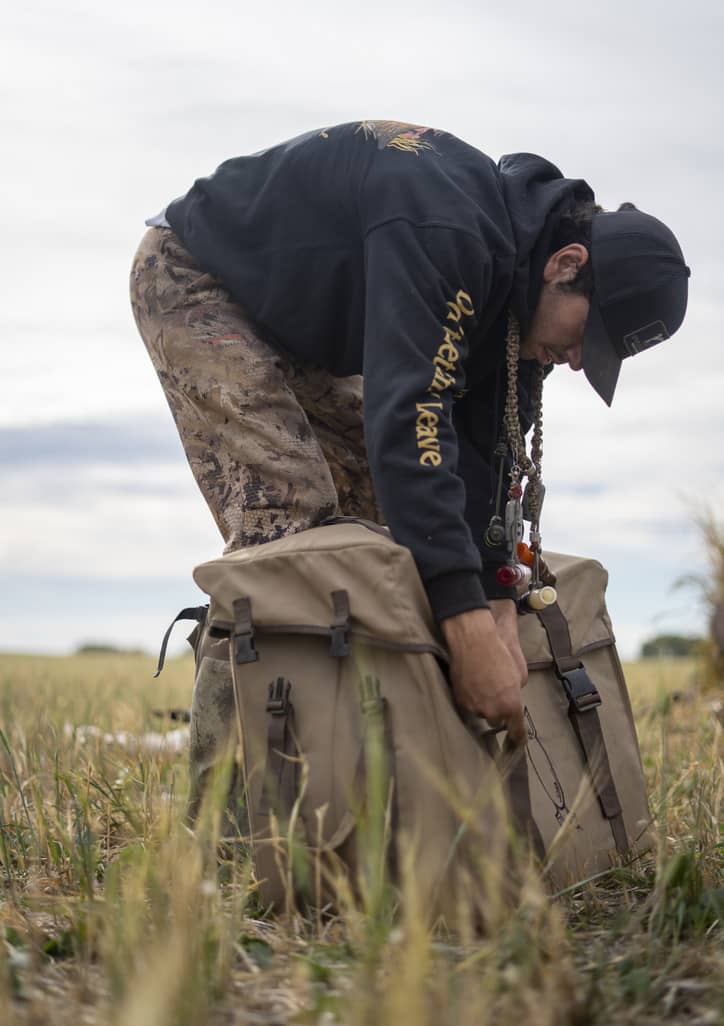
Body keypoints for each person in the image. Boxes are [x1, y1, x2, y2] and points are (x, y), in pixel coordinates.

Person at [130, 119, 689, 747]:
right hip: (200, 278)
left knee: (393, 528)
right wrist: (466, 625)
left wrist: (495, 594)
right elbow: (410, 418)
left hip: (304, 333)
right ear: (566, 264)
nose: (581, 361)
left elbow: (482, 454)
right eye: (591, 337)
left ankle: (368, 765)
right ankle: (231, 817)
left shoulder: (518, 307)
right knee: (292, 542)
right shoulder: (449, 231)